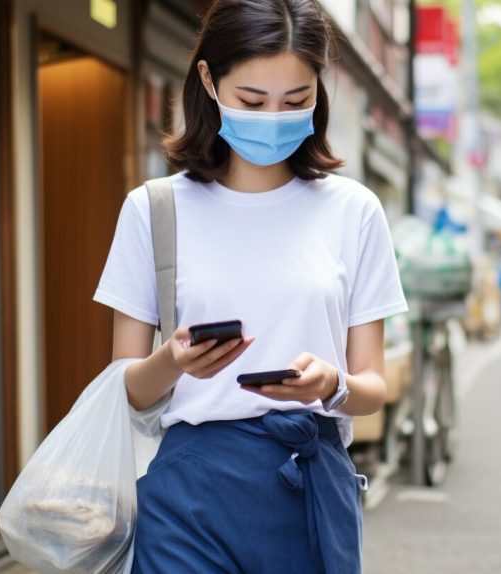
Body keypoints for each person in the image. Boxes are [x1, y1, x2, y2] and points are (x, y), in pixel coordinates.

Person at [93, 1, 407, 571]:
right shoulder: (154, 210)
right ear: (208, 80)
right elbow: (129, 389)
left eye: (295, 101)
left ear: (320, 89)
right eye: (252, 101)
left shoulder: (354, 211)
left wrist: (330, 385)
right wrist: (176, 360)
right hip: (187, 500)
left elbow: (373, 386)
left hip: (309, 488)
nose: (273, 117)